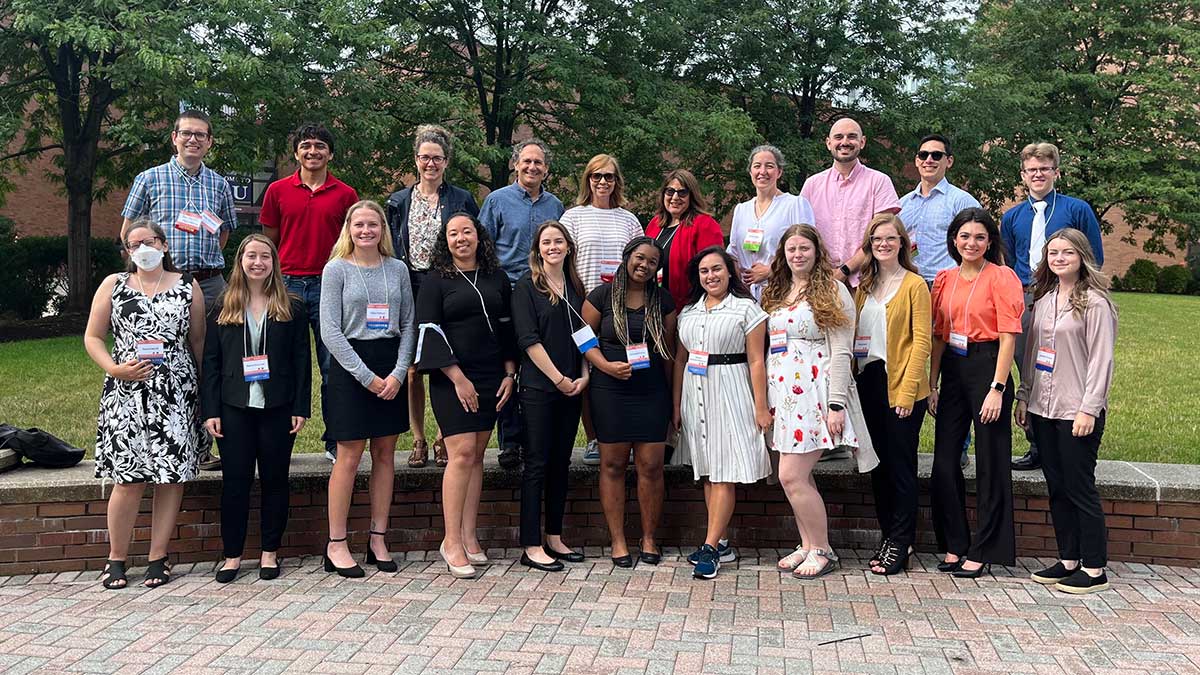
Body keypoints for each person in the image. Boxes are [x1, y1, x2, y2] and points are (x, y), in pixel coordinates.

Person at [84, 218, 206, 589]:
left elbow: (198, 343)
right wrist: (115, 369)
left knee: (170, 479)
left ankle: (158, 556)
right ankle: (116, 558)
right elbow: (93, 337)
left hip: (176, 394)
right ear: (127, 251)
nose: (142, 249)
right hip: (127, 393)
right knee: (128, 478)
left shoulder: (188, 286)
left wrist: (203, 395)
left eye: (149, 241)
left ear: (164, 245)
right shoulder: (114, 285)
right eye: (133, 245)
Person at [120, 109, 238, 471]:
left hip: (210, 282)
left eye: (201, 135)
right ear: (174, 138)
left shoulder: (218, 183)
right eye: (186, 133)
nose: (193, 140)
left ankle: (207, 444)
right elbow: (128, 232)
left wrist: (206, 258)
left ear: (209, 142)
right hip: (163, 283)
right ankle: (158, 438)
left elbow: (226, 230)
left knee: (212, 362)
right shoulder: (149, 179)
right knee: (165, 364)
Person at [761, 224, 877, 580]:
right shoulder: (778, 292)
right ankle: (808, 544)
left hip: (816, 393)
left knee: (791, 475)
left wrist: (837, 404)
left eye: (804, 249)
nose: (798, 255)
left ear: (817, 252)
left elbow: (842, 350)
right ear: (783, 254)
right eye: (792, 249)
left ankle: (823, 549)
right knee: (798, 478)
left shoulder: (833, 290)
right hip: (784, 394)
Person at [201, 234, 311, 583]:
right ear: (240, 261)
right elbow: (212, 362)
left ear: (274, 263)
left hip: (278, 406)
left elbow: (301, 361)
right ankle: (232, 555)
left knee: (275, 480)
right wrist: (210, 410)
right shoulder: (222, 305)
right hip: (234, 407)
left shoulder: (291, 306)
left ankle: (269, 552)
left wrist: (301, 406)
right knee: (236, 482)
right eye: (251, 256)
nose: (258, 262)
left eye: (265, 256)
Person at [416, 213, 518, 579]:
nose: (461, 238)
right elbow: (427, 332)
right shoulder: (434, 281)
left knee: (477, 457)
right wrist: (457, 378)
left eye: (467, 232)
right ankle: (451, 540)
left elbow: (508, 331)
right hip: (452, 376)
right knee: (460, 454)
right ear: (446, 240)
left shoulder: (497, 278)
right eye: (453, 234)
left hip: (492, 376)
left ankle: (470, 535)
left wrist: (510, 373)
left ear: (479, 236)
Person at [1016, 229, 1116, 594]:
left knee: (1079, 487)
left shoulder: (1095, 303)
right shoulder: (1043, 300)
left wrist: (1089, 409)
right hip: (1044, 408)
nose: (1059, 258)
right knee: (1057, 487)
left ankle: (1094, 568)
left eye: (1067, 253)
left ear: (1082, 257)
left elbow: (1101, 362)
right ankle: (1069, 559)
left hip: (1077, 410)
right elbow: (1030, 356)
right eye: (1053, 252)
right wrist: (1024, 397)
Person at [319, 200, 416, 578]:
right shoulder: (336, 269)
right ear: (348, 228)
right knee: (348, 455)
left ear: (382, 229)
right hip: (351, 367)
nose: (365, 231)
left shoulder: (398, 269)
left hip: (389, 363)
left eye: (372, 224)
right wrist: (366, 377)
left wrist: (397, 373)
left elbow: (409, 324)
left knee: (386, 454)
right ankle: (337, 543)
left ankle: (378, 537)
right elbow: (330, 331)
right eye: (358, 224)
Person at [929, 207, 1024, 579]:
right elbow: (939, 335)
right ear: (954, 239)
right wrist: (932, 383)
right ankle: (955, 543)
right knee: (944, 463)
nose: (971, 243)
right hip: (953, 368)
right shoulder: (943, 278)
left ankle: (985, 548)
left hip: (989, 367)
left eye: (980, 237)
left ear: (990, 242)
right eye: (965, 236)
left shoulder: (1002, 277)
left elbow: (1008, 335)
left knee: (991, 462)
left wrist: (998, 389)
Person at [1001, 142, 1105, 472]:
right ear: (1023, 175)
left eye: (1044, 169)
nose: (1038, 175)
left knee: (1065, 367)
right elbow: (1007, 259)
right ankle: (1038, 444)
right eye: (1031, 170)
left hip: (1065, 295)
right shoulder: (1012, 216)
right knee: (1028, 366)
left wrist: (1081, 295)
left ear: (1056, 172)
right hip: (1025, 298)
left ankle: (1074, 435)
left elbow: (1094, 256)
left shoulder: (1077, 210)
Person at [260, 123, 359, 463]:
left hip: (331, 284)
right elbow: (269, 242)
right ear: (297, 152)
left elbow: (352, 244)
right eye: (306, 145)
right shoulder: (277, 191)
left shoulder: (346, 195)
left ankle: (336, 440)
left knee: (333, 366)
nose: (312, 151)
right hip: (286, 285)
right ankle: (277, 441)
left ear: (330, 153)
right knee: (280, 363)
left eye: (320, 146)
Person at [672, 247, 771, 580]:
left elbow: (757, 359)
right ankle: (722, 541)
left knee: (724, 471)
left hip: (731, 390)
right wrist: (676, 405)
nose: (711, 276)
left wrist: (760, 406)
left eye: (717, 269)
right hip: (695, 392)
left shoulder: (747, 310)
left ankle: (710, 548)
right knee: (708, 470)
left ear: (730, 272)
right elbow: (681, 361)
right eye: (704, 271)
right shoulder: (689, 312)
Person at [386, 124, 480, 469]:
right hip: (410, 285)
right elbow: (393, 246)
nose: (430, 164)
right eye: (425, 157)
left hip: (448, 283)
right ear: (416, 159)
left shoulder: (461, 198)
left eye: (437, 158)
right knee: (412, 368)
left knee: (444, 360)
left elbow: (470, 238)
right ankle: (419, 440)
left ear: (446, 161)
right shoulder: (398, 201)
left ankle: (443, 437)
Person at [581, 237, 676, 567]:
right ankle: (618, 539)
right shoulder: (601, 295)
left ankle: (649, 537)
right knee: (613, 465)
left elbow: (669, 353)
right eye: (639, 258)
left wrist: (673, 405)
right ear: (626, 258)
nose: (645, 265)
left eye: (652, 262)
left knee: (651, 466)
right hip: (610, 391)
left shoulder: (662, 300)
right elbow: (582, 339)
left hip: (650, 392)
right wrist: (605, 366)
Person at [851, 215, 931, 575]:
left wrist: (908, 392)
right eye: (876, 239)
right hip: (868, 382)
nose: (883, 244)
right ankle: (888, 535)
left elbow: (922, 343)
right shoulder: (862, 287)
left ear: (903, 243)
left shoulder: (915, 285)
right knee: (878, 466)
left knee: (901, 466)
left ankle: (902, 540)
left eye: (890, 238)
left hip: (900, 385)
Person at [479, 139, 565, 471]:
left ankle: (535, 436)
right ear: (516, 164)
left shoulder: (555, 205)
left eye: (539, 163)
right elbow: (484, 246)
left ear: (546, 169)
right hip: (506, 290)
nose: (532, 167)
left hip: (543, 292)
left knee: (536, 362)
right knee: (508, 364)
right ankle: (510, 441)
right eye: (527, 161)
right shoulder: (497, 201)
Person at [898, 133, 981, 470]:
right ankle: (906, 438)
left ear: (949, 161)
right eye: (923, 155)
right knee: (913, 359)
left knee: (953, 364)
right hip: (914, 288)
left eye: (937, 155)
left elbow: (979, 245)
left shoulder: (962, 201)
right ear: (916, 161)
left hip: (951, 288)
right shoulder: (904, 204)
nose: (929, 160)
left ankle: (958, 443)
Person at [511, 221, 590, 571]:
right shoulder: (527, 287)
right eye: (546, 242)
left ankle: (554, 536)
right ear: (538, 249)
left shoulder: (575, 286)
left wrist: (585, 375)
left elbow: (585, 335)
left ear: (568, 247)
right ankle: (531, 544)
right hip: (540, 387)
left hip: (573, 386)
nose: (553, 247)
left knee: (561, 463)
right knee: (537, 464)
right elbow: (528, 341)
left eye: (559, 241)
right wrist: (558, 379)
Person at [563, 154, 645, 467]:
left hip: (625, 307)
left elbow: (640, 260)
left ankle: (628, 432)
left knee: (629, 366)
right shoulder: (573, 216)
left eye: (609, 176)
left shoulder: (628, 219)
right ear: (587, 179)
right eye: (596, 176)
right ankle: (595, 436)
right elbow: (565, 258)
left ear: (616, 181)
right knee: (589, 366)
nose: (602, 181)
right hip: (585, 303)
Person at [800, 117, 901, 287]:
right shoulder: (812, 185)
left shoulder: (879, 182)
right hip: (819, 282)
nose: (845, 142)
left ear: (862, 142)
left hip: (867, 281)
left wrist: (845, 270)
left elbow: (881, 236)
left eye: (851, 137)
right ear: (828, 143)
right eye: (839, 137)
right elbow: (802, 235)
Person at [726, 145, 816, 300]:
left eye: (769, 166)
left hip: (784, 290)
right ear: (750, 172)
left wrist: (771, 270)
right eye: (757, 166)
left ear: (779, 172)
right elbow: (733, 253)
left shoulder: (794, 205)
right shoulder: (741, 210)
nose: (762, 172)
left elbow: (810, 250)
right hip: (746, 296)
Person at [645, 169, 724, 311]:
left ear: (691, 196)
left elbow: (715, 271)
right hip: (653, 304)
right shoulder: (655, 224)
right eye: (670, 192)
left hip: (688, 307)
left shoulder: (704, 225)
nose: (675, 197)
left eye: (682, 193)